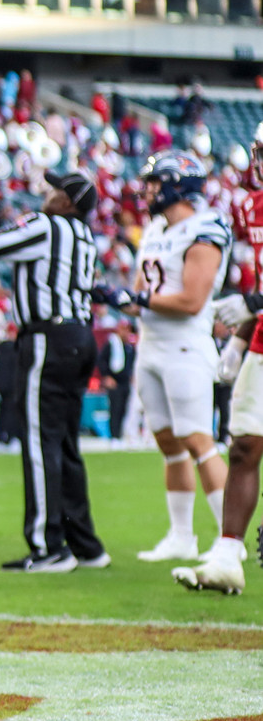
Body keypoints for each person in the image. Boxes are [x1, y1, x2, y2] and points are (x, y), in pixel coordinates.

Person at [0, 171, 104, 572]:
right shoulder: (84, 236)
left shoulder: (47, 226)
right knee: (66, 444)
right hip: (79, 335)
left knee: (40, 441)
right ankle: (85, 544)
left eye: (57, 190)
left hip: (47, 338)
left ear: (69, 202)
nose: (48, 193)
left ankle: (48, 546)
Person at [104, 153, 230, 564]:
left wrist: (139, 298)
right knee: (168, 444)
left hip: (185, 347)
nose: (148, 190)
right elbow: (143, 295)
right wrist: (116, 296)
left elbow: (192, 301)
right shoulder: (156, 229)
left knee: (199, 441)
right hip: (151, 345)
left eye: (155, 182)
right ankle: (181, 536)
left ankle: (230, 540)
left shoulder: (205, 228)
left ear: (177, 184)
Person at [187, 130, 263, 593]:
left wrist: (253, 303)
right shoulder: (252, 206)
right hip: (262, 344)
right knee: (244, 445)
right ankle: (227, 554)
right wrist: (239, 341)